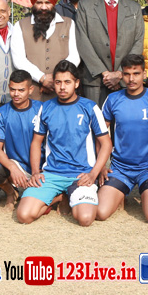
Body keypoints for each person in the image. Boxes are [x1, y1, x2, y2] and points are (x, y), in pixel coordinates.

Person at [16, 60, 111, 227]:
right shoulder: (46, 107)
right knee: (24, 216)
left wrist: (93, 174)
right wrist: (35, 172)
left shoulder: (89, 107)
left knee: (85, 219)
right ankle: (58, 197)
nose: (62, 87)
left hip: (80, 175)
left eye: (67, 82)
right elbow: (36, 143)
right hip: (52, 174)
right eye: (58, 82)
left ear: (76, 83)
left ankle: (69, 194)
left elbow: (106, 144)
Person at [96, 54, 148, 223]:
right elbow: (101, 135)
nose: (131, 79)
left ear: (144, 74)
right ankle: (120, 194)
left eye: (136, 74)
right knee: (100, 213)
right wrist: (102, 166)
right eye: (127, 74)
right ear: (121, 75)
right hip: (120, 168)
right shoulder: (113, 99)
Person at [74, 0, 145, 104]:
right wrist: (105, 73)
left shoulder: (134, 8)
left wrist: (120, 73)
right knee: (96, 118)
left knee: (124, 118)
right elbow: (82, 41)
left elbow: (138, 41)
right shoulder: (85, 6)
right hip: (95, 80)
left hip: (125, 79)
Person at [10, 0, 80, 101]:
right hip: (32, 93)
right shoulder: (20, 26)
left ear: (54, 3)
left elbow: (74, 56)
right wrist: (42, 78)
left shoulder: (69, 24)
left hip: (62, 92)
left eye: (47, 3)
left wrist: (55, 79)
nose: (43, 7)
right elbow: (19, 60)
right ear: (33, 3)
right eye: (39, 3)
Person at [0, 70, 43, 211]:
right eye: (13, 90)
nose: (16, 94)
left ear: (31, 90)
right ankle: (11, 192)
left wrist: (40, 170)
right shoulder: (0, 114)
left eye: (21, 90)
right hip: (17, 166)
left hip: (42, 167)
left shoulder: (42, 109)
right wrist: (12, 167)